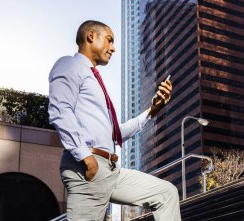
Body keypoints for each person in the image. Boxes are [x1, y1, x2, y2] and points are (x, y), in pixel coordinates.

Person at [48, 20, 181, 221]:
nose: (113, 48)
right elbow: (60, 111)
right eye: (109, 40)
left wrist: (152, 110)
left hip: (111, 170)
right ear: (91, 36)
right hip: (88, 168)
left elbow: (114, 134)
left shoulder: (94, 80)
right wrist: (86, 158)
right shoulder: (70, 64)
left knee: (166, 193)